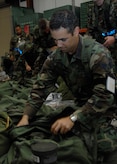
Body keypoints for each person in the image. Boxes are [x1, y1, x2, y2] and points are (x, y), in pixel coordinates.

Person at [17, 9, 117, 163]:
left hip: (106, 109)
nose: (58, 44)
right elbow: (41, 86)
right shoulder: (57, 57)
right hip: (81, 105)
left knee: (105, 145)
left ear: (76, 31)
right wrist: (26, 116)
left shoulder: (98, 55)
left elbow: (105, 95)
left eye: (63, 39)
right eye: (55, 40)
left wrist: (74, 117)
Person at [87, 0, 117, 72]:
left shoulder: (114, 5)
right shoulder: (91, 8)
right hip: (101, 46)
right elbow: (90, 30)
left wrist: (114, 38)